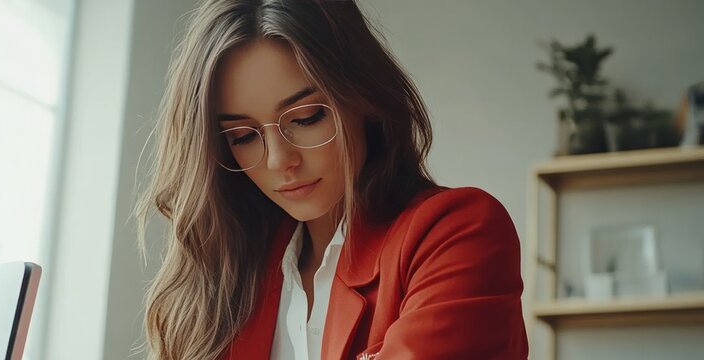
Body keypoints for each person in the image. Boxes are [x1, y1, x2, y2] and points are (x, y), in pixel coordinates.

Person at [134, 0, 528, 359]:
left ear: (362, 96)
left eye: (306, 118)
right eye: (243, 136)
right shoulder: (223, 287)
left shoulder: (457, 233)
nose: (278, 160)